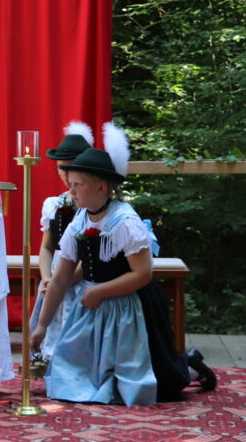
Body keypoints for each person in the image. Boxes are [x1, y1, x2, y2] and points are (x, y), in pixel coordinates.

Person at [32, 123, 216, 405]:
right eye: (71, 184)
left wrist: (100, 291)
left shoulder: (124, 222)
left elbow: (142, 274)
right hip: (94, 308)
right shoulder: (79, 220)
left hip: (132, 305)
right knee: (74, 379)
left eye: (78, 185)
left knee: (159, 385)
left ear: (102, 187)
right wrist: (42, 326)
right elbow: (61, 277)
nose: (71, 191)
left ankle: (189, 366)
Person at [28, 121, 93, 361]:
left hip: (83, 276)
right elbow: (47, 246)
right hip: (56, 274)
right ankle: (47, 360)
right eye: (60, 169)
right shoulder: (54, 204)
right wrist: (47, 278)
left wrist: (64, 280)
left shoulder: (94, 207)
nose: (65, 175)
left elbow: (93, 254)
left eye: (70, 169)